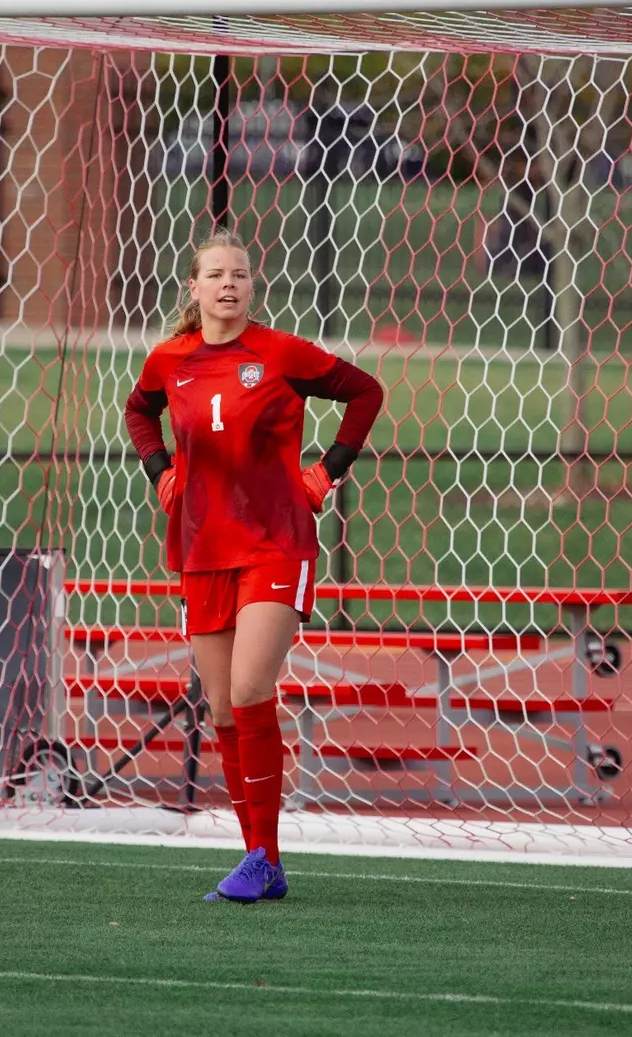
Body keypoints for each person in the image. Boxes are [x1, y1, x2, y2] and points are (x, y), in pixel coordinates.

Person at [124, 229, 383, 903]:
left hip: (275, 542)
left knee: (248, 689)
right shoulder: (169, 359)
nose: (228, 284)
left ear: (251, 285)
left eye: (238, 274)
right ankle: (260, 860)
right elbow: (139, 410)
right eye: (215, 274)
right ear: (194, 286)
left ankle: (263, 857)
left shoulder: (280, 352)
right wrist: (160, 472)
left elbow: (365, 392)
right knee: (222, 708)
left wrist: (327, 472)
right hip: (202, 547)